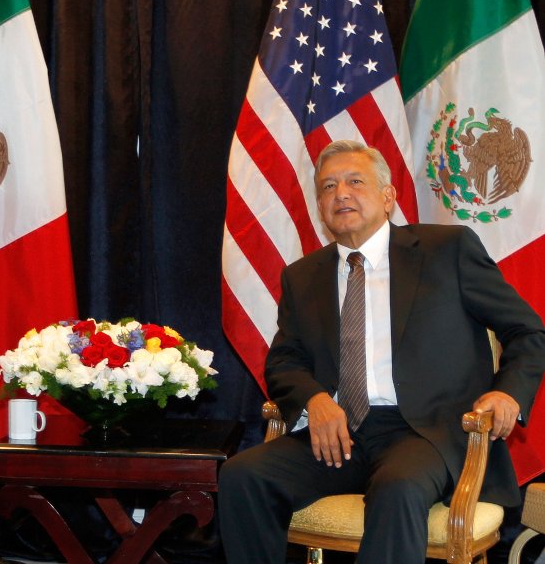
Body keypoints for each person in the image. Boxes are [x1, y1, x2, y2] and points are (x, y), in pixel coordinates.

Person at [218, 139, 545, 563]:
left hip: (427, 432)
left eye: (355, 181)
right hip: (337, 436)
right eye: (328, 187)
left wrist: (508, 392)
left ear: (387, 196)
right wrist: (314, 399)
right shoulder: (303, 276)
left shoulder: (446, 251)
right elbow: (284, 361)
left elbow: (528, 331)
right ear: (319, 204)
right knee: (243, 476)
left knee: (397, 488)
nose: (341, 194)